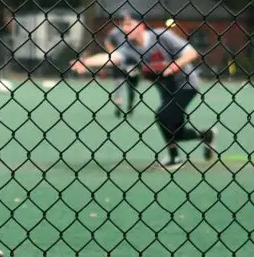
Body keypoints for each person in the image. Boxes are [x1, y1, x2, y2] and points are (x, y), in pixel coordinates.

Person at [71, 12, 218, 167]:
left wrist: (172, 67)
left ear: (140, 26)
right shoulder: (128, 48)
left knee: (163, 115)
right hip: (166, 90)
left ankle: (174, 158)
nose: (125, 28)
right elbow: (111, 58)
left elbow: (191, 53)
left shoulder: (162, 36)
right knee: (176, 131)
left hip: (186, 84)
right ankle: (206, 135)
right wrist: (86, 62)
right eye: (123, 25)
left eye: (129, 25)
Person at [103, 24, 140, 113]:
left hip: (132, 63)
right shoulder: (115, 32)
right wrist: (113, 53)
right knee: (119, 84)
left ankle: (130, 106)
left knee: (131, 87)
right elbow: (108, 42)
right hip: (119, 62)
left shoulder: (135, 32)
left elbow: (140, 45)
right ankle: (119, 106)